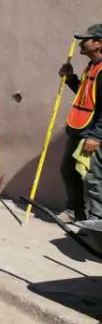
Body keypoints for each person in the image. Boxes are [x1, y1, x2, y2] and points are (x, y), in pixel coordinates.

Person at [60, 24, 102, 223]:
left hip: (92, 134)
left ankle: (96, 220)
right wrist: (70, 79)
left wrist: (97, 135)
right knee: (69, 171)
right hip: (79, 129)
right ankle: (75, 211)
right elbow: (86, 96)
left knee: (94, 178)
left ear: (99, 43)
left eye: (85, 40)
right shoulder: (91, 67)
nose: (80, 44)